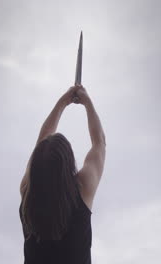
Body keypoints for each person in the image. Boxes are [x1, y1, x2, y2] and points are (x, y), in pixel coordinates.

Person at [19, 85, 106, 264]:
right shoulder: (82, 189)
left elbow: (42, 139)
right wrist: (86, 101)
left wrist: (63, 101)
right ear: (68, 165)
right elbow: (99, 143)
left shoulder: (27, 192)